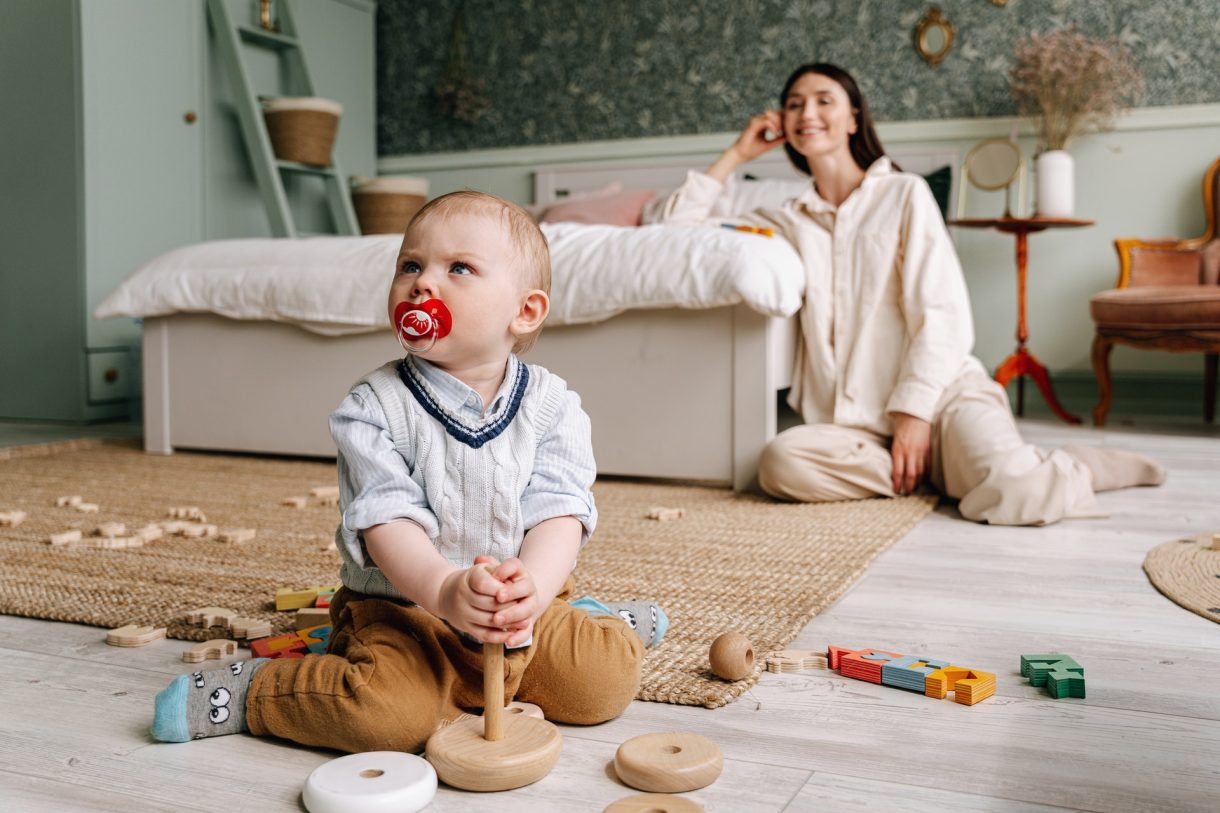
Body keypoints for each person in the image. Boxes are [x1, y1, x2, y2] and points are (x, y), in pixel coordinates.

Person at [150, 191, 667, 752]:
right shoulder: (373, 407)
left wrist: (535, 593)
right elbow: (385, 520)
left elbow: (560, 511)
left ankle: (593, 623)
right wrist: (445, 592)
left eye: (459, 268)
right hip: (405, 613)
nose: (423, 283)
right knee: (387, 721)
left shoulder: (554, 406)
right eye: (411, 266)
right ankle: (256, 691)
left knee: (600, 687)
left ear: (525, 311)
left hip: (522, 607)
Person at [655, 62, 1164, 526]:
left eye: (823, 100)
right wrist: (738, 153)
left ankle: (1076, 469)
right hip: (854, 428)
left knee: (1020, 494)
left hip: (942, 399)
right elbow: (675, 230)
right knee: (780, 463)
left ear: (854, 119)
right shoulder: (784, 221)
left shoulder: (905, 193)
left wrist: (915, 415)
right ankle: (934, 475)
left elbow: (941, 313)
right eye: (794, 104)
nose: (806, 111)